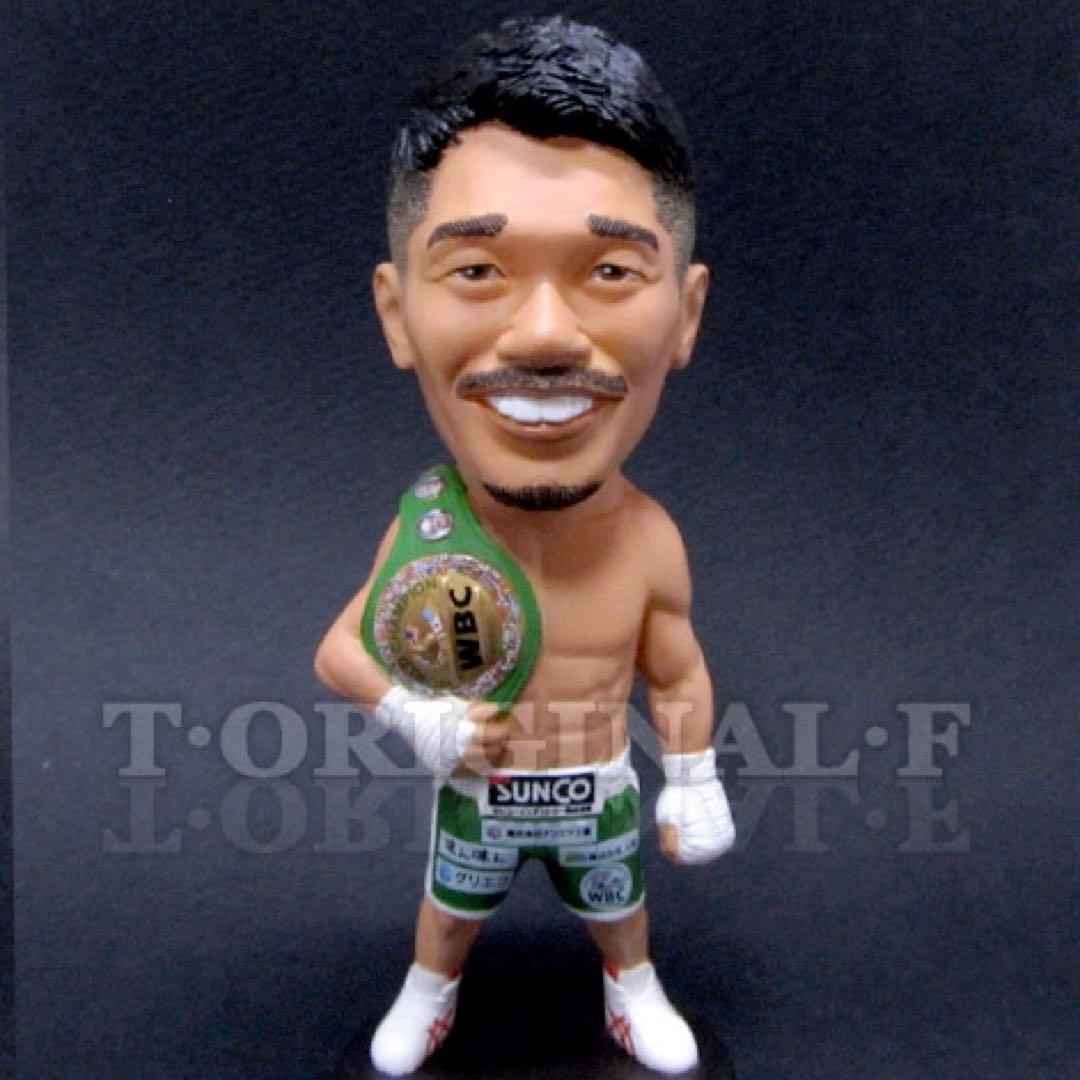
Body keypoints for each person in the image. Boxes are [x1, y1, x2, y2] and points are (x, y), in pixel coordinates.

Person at [315, 16, 735, 1076]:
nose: (544, 335)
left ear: (685, 316)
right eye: (476, 270)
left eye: (610, 270)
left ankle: (633, 992)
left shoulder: (649, 541)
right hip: (484, 788)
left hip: (597, 786)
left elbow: (676, 669)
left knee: (620, 909)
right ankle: (429, 993)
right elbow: (340, 651)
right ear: (396, 313)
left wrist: (692, 777)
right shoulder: (429, 532)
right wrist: (418, 716)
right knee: (450, 911)